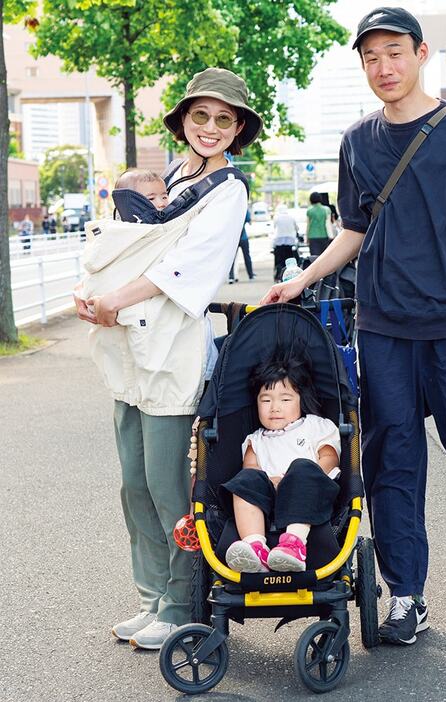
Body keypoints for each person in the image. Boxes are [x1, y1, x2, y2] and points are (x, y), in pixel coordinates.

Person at [261, 7, 446, 647]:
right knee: (390, 462)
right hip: (382, 329)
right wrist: (300, 281)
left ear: (421, 53)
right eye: (372, 56)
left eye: (395, 52)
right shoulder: (357, 141)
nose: (384, 67)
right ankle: (407, 595)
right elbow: (354, 228)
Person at [74, 67, 263, 651]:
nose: (210, 128)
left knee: (168, 487)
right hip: (131, 349)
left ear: (238, 130)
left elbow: (182, 272)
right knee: (133, 483)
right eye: (200, 116)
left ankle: (181, 603)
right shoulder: (175, 176)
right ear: (182, 121)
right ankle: (150, 596)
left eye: (223, 119)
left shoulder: (227, 191)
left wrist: (111, 299)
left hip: (172, 353)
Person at [222, 354, 341, 573]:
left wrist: (292, 478)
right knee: (244, 480)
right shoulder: (255, 439)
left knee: (303, 468)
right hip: (268, 501)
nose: (275, 407)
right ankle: (255, 547)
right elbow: (251, 469)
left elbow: (330, 459)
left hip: (308, 496)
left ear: (300, 400)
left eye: (285, 400)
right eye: (266, 400)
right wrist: (269, 481)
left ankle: (293, 545)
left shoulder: (316, 426)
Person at [271, 204, 299, 281]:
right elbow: (296, 228)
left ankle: (278, 276)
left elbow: (274, 228)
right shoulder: (291, 217)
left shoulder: (276, 218)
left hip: (279, 242)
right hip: (290, 242)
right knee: (289, 259)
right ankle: (290, 275)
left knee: (279, 260)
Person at [229, 209, 254, 283]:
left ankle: (231, 277)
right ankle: (251, 276)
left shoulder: (230, 209)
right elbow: (248, 219)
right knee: (247, 257)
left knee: (231, 259)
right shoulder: (244, 208)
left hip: (233, 238)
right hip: (243, 237)